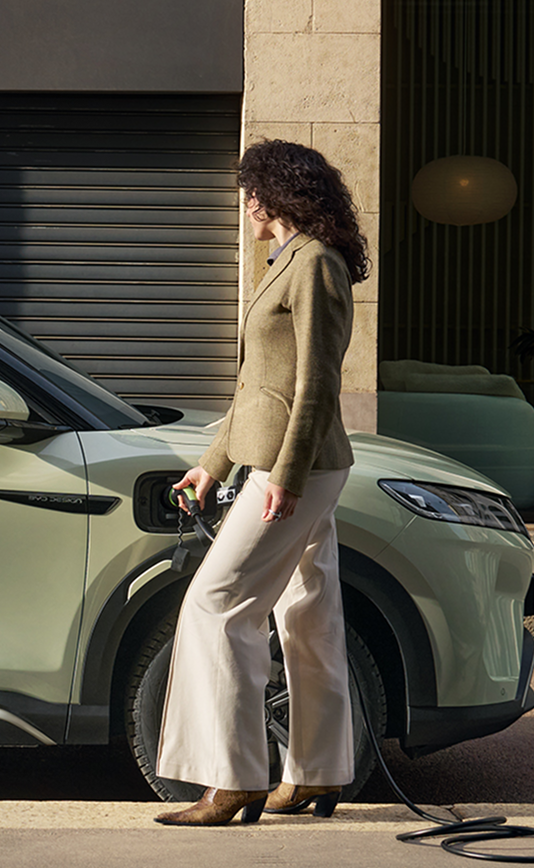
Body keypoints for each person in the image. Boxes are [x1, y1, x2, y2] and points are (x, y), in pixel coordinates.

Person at [153, 138, 369, 826]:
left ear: (282, 194)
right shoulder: (287, 262)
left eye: (255, 190)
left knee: (215, 605)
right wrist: (212, 464)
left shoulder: (316, 264)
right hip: (288, 464)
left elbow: (318, 382)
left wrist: (287, 475)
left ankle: (234, 779)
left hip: (295, 469)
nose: (246, 203)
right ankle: (316, 774)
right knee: (308, 615)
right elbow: (257, 386)